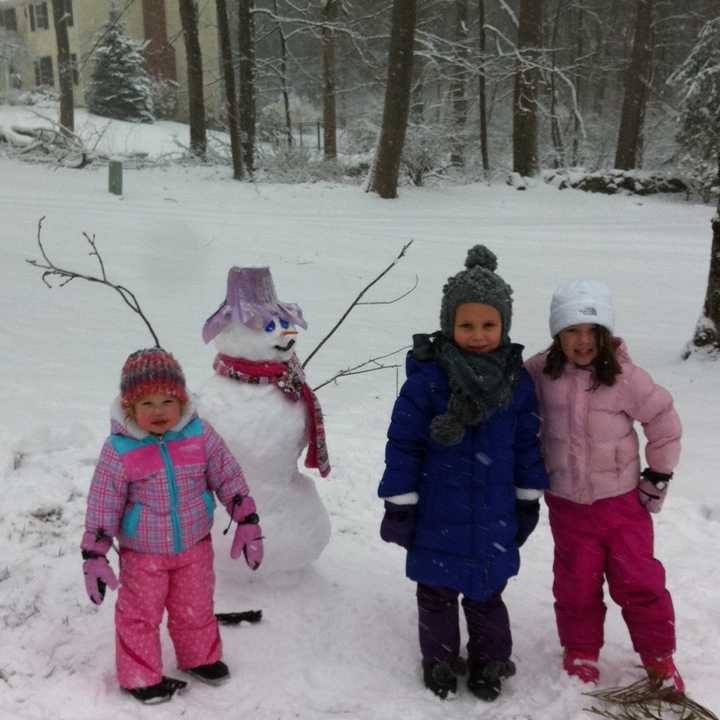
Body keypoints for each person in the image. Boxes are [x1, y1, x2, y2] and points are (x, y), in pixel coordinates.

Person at [378, 245, 548, 702]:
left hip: (492, 512)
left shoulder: (516, 382)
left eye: (488, 325)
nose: (477, 335)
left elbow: (525, 441)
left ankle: (489, 660)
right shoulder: (428, 380)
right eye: (466, 324)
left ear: (504, 326)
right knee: (435, 592)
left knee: (486, 592)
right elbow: (404, 445)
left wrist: (528, 496)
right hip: (437, 509)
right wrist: (400, 504)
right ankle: (439, 658)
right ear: (449, 324)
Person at [524, 280, 684, 693]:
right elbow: (510, 406)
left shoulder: (625, 377)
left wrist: (657, 475)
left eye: (591, 331)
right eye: (571, 330)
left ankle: (658, 657)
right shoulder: (540, 373)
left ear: (605, 333)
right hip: (567, 505)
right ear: (556, 334)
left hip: (622, 505)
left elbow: (663, 421)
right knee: (575, 582)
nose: (582, 341)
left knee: (639, 581)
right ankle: (581, 651)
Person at [81, 347, 264, 704]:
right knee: (139, 616)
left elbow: (227, 475)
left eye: (168, 400)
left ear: (181, 400)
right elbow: (103, 503)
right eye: (147, 404)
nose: (159, 411)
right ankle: (139, 677)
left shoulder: (200, 436)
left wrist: (246, 517)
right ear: (130, 408)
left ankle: (199, 657)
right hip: (142, 554)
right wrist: (95, 554)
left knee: (193, 606)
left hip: (194, 547)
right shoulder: (120, 449)